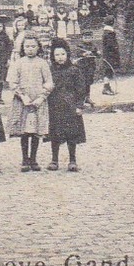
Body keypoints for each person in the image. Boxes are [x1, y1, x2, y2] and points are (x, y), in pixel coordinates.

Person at [5, 33, 53, 172]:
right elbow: (12, 82)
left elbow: (49, 82)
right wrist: (22, 96)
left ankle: (34, 159)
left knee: (35, 131)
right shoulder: (18, 63)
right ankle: (25, 159)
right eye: (27, 46)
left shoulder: (43, 63)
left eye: (33, 46)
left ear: (38, 47)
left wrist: (42, 97)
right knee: (24, 131)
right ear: (23, 48)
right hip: (22, 102)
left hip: (37, 101)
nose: (30, 49)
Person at [45, 39, 87, 172]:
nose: (60, 57)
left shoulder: (74, 70)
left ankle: (72, 160)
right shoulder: (50, 70)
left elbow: (81, 89)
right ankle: (54, 160)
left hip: (70, 106)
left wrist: (79, 106)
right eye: (57, 55)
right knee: (55, 134)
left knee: (72, 134)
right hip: (54, 106)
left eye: (62, 54)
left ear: (67, 55)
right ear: (53, 56)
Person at [101, 20, 121, 92]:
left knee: (108, 71)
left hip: (108, 55)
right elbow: (111, 45)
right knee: (108, 71)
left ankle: (107, 87)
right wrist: (115, 49)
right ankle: (106, 87)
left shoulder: (106, 32)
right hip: (110, 55)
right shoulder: (110, 33)